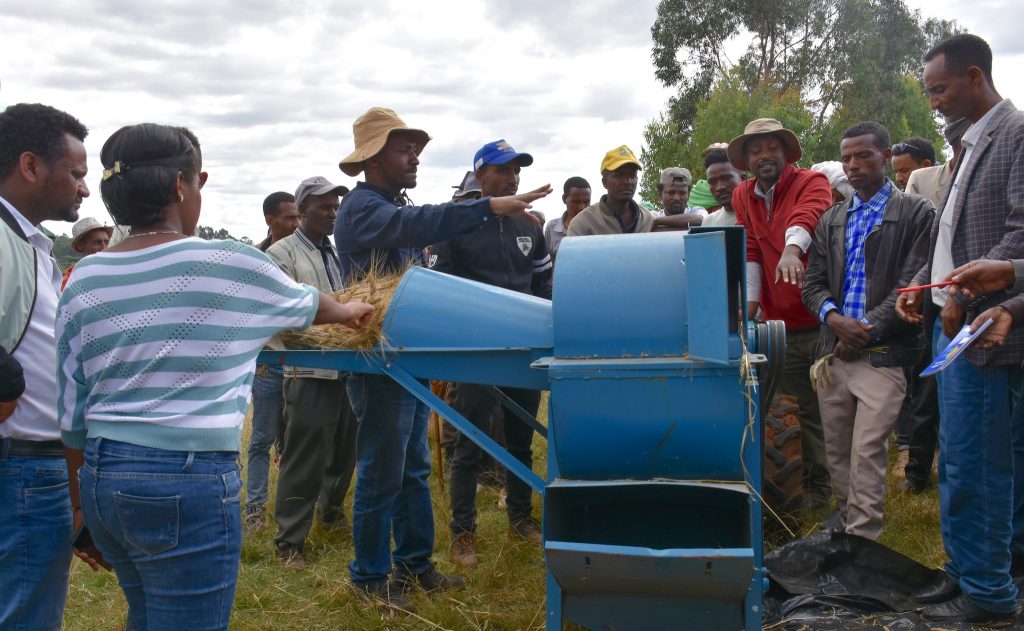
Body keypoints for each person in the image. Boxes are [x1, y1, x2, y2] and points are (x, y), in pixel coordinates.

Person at [56, 123, 372, 630]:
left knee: (145, 611)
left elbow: (70, 408)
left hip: (101, 476)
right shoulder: (228, 263)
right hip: (187, 477)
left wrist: (78, 507)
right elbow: (310, 304)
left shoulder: (84, 279)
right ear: (183, 185)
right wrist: (352, 308)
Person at [333, 107, 550, 609]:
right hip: (378, 359)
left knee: (411, 468)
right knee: (382, 470)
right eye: (404, 149)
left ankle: (414, 565)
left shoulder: (389, 202)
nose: (415, 158)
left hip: (404, 357)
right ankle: (369, 581)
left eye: (417, 149)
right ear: (372, 157)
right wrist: (488, 207)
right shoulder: (364, 207)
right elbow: (421, 222)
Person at [896, 33, 1024, 624]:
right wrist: (927, 284)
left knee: (977, 460)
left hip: (984, 330)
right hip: (953, 323)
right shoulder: (966, 146)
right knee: (964, 457)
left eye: (940, 89)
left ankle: (987, 592)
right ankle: (972, 570)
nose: (935, 103)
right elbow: (951, 235)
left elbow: (1019, 237)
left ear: (976, 77)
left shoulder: (1016, 135)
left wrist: (964, 296)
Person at [802, 121, 933, 540]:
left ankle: (865, 542)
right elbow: (813, 283)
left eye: (863, 156)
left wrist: (866, 330)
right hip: (834, 353)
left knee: (867, 452)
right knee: (838, 453)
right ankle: (846, 527)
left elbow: (913, 282)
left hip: (883, 355)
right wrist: (834, 319)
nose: (854, 165)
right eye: (846, 158)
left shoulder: (914, 212)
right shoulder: (833, 218)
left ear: (885, 155)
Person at [427, 139, 552, 568]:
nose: (513, 176)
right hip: (476, 352)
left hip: (523, 352)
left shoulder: (530, 228)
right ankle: (463, 534)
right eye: (503, 169)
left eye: (517, 169)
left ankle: (522, 518)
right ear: (481, 176)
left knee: (520, 441)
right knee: (470, 443)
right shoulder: (456, 227)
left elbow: (544, 288)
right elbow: (439, 289)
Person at [0, 102, 91, 631]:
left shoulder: (32, 245)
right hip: (20, 464)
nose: (83, 188)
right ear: (31, 166)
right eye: (76, 173)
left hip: (34, 464)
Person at [729, 117, 833, 507]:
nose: (764, 156)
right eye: (755, 150)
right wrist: (749, 310)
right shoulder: (743, 196)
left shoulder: (812, 182)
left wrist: (792, 250)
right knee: (793, 409)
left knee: (826, 411)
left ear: (786, 152)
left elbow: (807, 215)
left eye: (772, 147)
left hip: (822, 318)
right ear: (746, 160)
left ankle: (829, 491)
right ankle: (807, 491)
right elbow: (751, 250)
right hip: (780, 325)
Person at [268, 176, 357, 566]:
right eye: (324, 206)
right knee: (304, 457)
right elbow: (280, 309)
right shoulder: (282, 254)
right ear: (301, 210)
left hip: (348, 368)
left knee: (344, 449)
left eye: (336, 205)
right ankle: (289, 541)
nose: (333, 212)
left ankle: (332, 515)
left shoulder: (335, 253)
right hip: (309, 370)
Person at [896, 117, 971, 493]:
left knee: (966, 409)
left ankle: (961, 479)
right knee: (926, 390)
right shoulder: (940, 183)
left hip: (978, 312)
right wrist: (917, 284)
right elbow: (935, 248)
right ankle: (918, 473)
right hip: (936, 306)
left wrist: (959, 295)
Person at [244, 190, 303, 534]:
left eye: (297, 217)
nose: (296, 224)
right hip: (268, 360)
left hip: (300, 359)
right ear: (270, 220)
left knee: (295, 440)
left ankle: (292, 508)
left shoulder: (305, 253)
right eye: (289, 218)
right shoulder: (256, 260)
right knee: (261, 439)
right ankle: (254, 511)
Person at [566, 146, 651, 236]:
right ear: (605, 182)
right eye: (619, 175)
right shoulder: (583, 223)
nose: (628, 181)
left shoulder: (648, 220)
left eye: (632, 175)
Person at [544, 176, 591, 259]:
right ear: (564, 199)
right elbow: (547, 261)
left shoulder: (596, 226)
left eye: (586, 202)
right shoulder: (552, 227)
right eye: (576, 202)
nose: (582, 207)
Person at [62, 216, 113, 289]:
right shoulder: (70, 282)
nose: (104, 248)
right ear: (80, 246)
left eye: (106, 242)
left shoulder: (118, 270)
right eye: (97, 243)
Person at [701, 148, 745, 227]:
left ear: (742, 178)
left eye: (726, 178)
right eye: (712, 182)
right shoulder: (708, 223)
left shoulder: (763, 214)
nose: (719, 188)